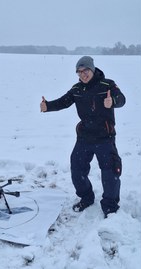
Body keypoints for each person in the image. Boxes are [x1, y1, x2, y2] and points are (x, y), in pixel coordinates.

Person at [40, 56, 126, 218]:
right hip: (85, 137)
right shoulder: (77, 89)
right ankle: (86, 197)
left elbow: (122, 100)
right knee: (77, 169)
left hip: (105, 137)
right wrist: (48, 106)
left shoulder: (107, 85)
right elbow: (63, 102)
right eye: (79, 72)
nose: (82, 74)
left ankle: (110, 205)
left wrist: (113, 101)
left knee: (110, 171)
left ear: (92, 69)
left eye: (85, 70)